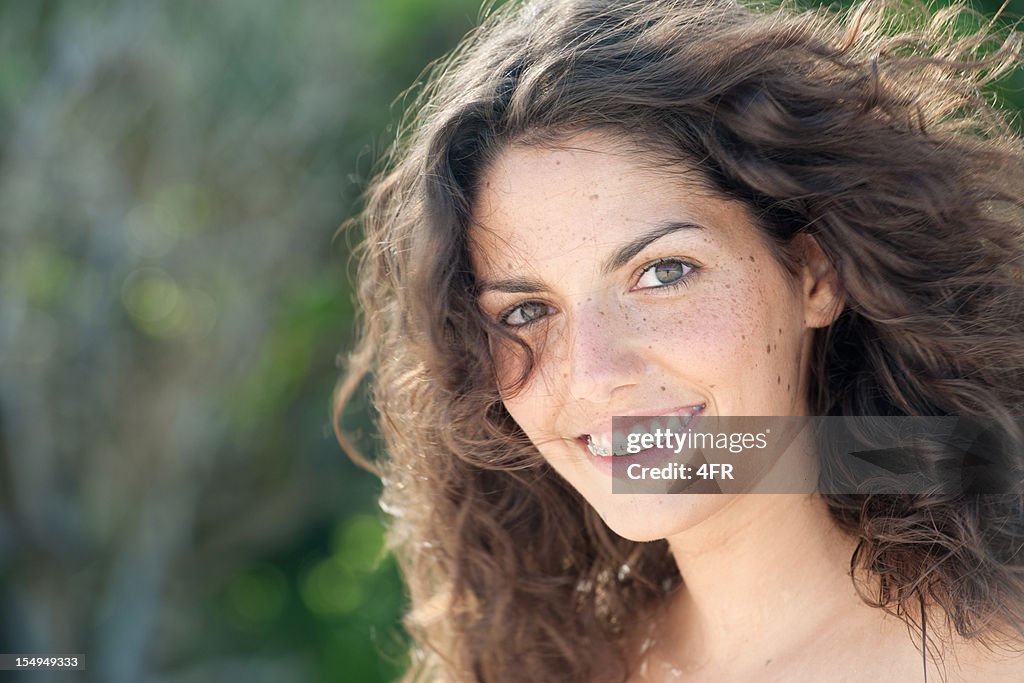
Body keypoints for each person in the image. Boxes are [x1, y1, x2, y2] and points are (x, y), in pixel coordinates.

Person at [333, 0, 1024, 681]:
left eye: (662, 273)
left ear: (815, 273)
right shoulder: (542, 667)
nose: (593, 372)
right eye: (525, 312)